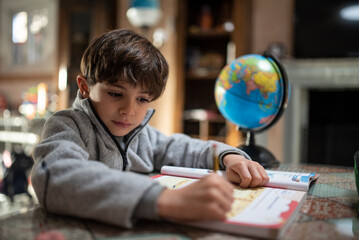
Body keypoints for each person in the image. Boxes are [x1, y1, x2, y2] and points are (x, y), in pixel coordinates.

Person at [31, 29, 269, 228]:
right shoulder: (66, 125)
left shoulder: (143, 136)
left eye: (142, 99)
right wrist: (161, 199)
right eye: (115, 94)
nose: (129, 111)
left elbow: (182, 147)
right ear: (85, 87)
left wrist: (229, 156)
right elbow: (53, 175)